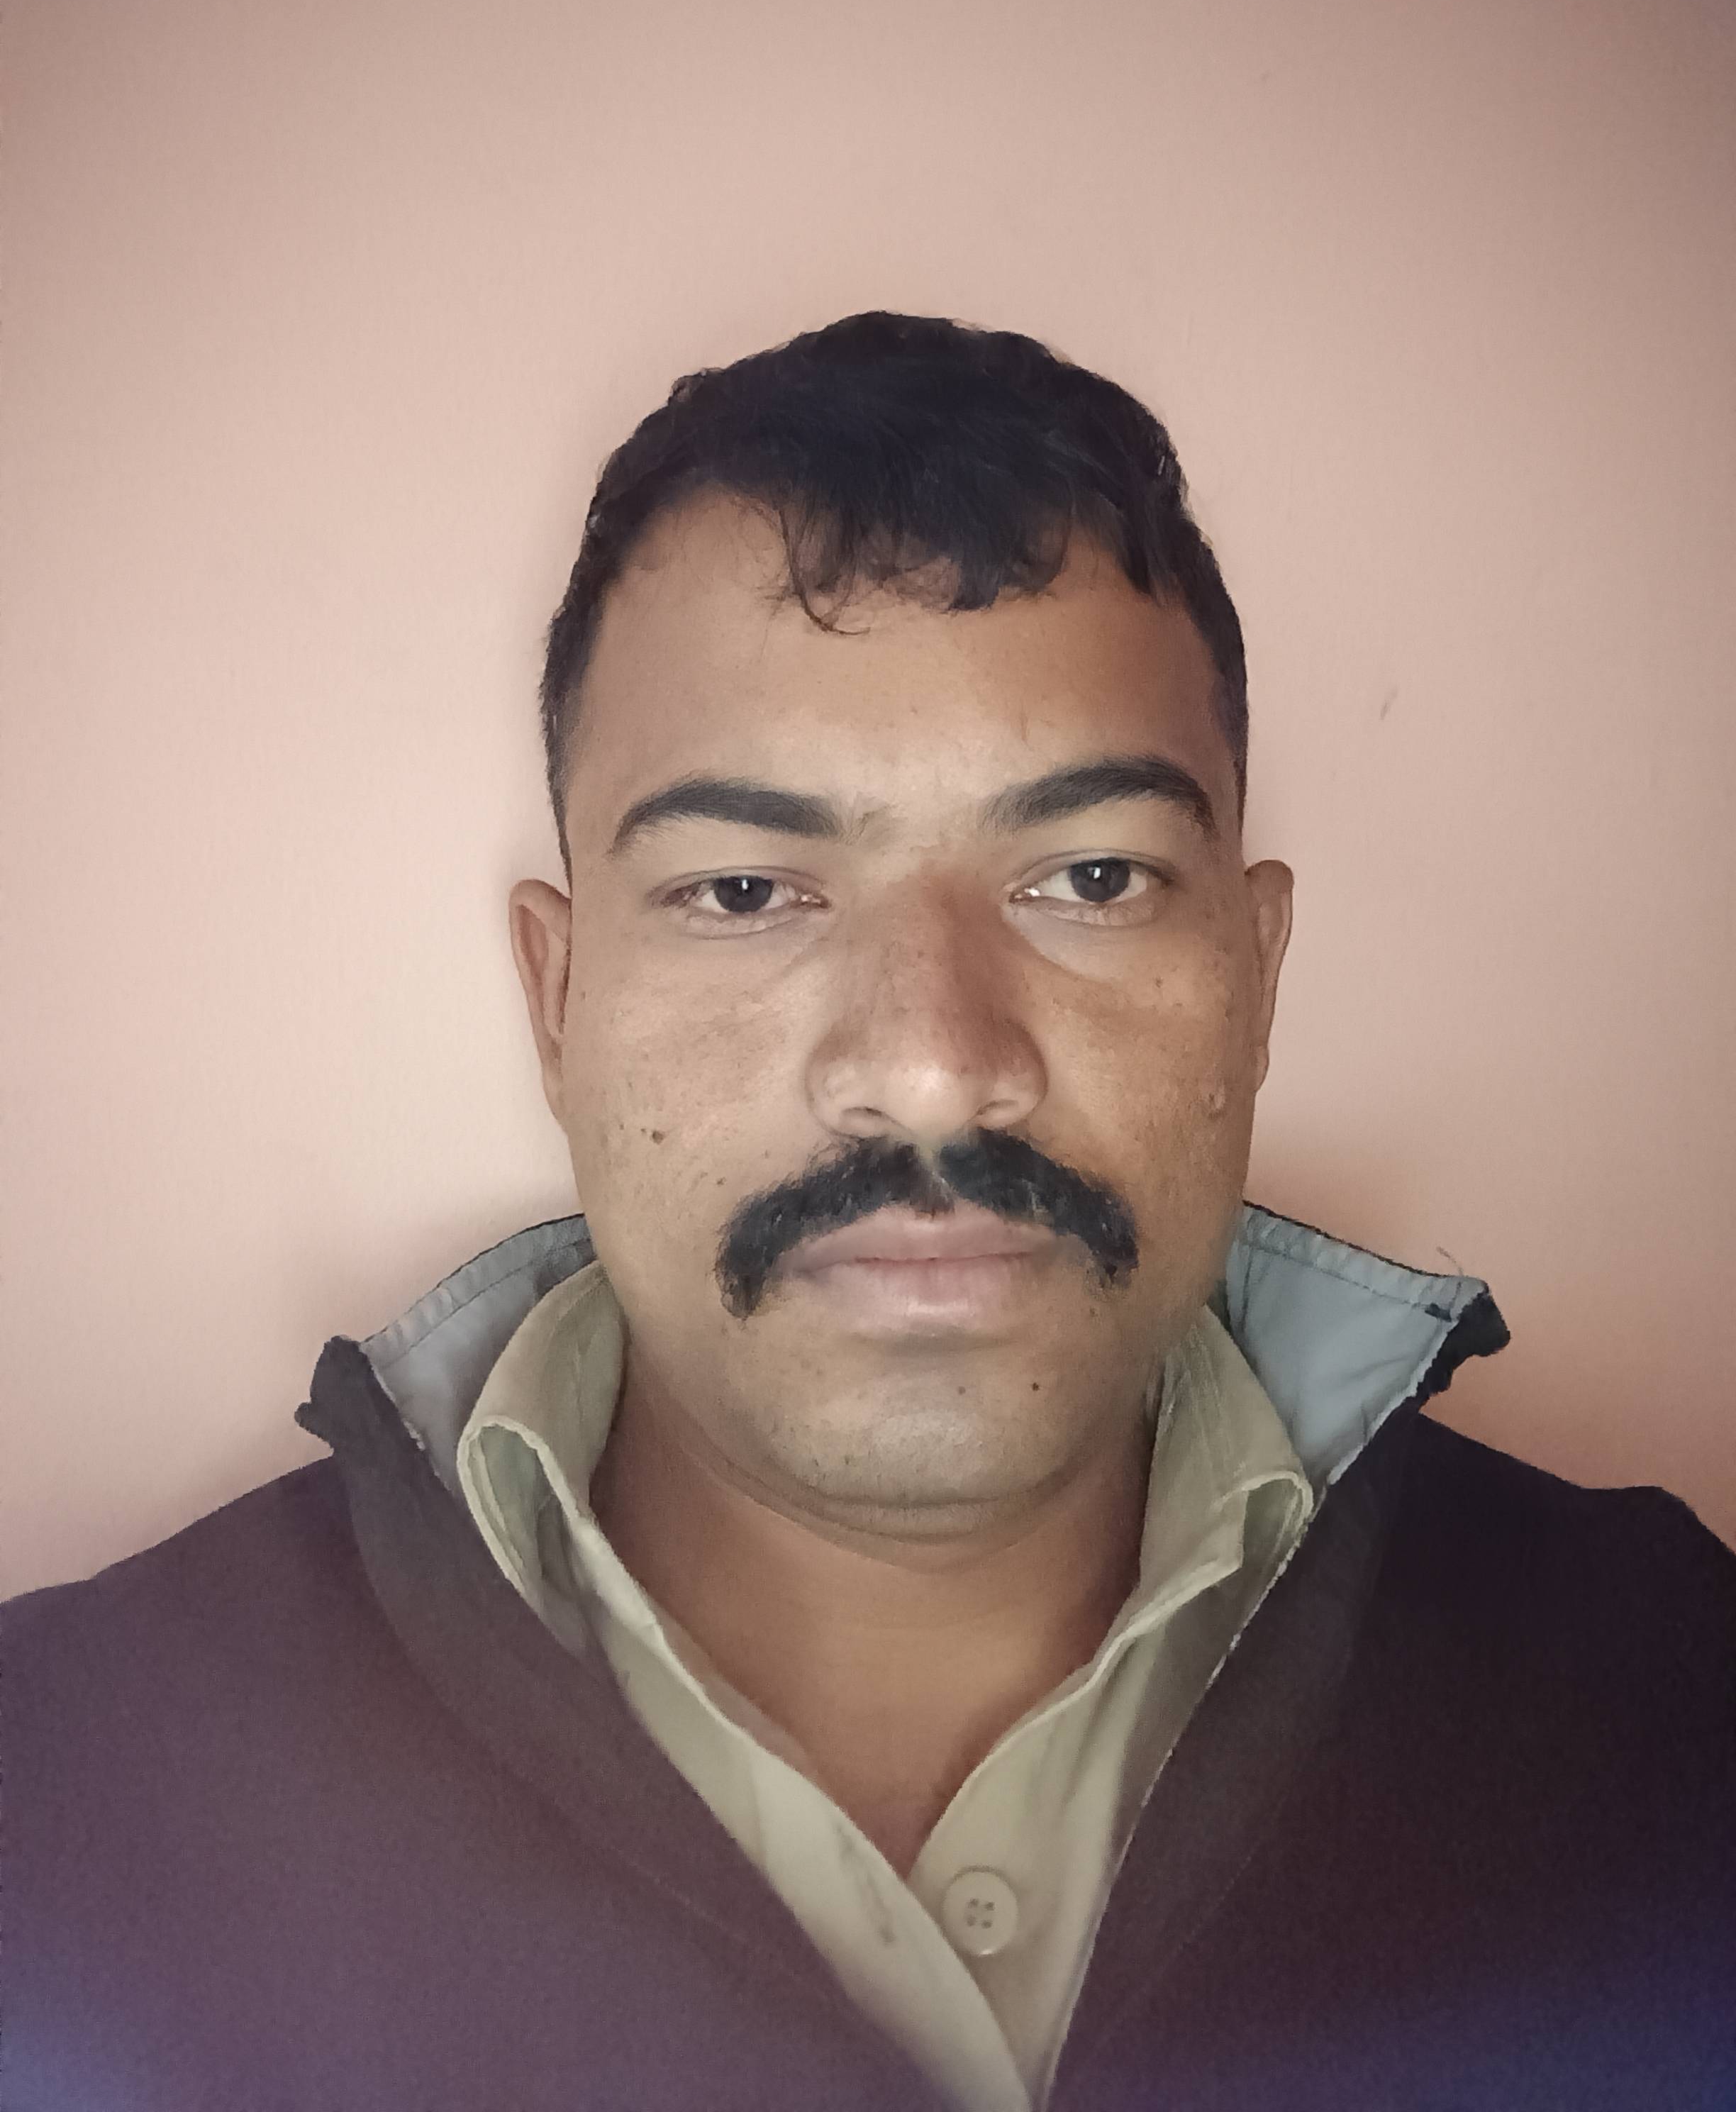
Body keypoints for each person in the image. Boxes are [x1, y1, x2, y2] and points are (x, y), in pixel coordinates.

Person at [4, 313, 1731, 2111]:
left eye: (1091, 877)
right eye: (746, 891)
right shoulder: (57, 1819)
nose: (930, 1070)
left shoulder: (1674, 1724)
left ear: (1257, 971)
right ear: (558, 1000)